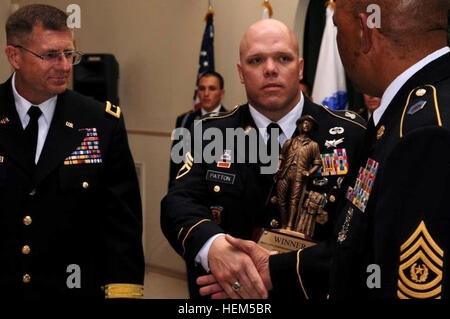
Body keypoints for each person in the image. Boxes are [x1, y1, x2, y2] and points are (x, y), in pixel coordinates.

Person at [201, 0, 450, 300]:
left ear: (364, 32)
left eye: (337, 28)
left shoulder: (423, 132)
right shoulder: (407, 114)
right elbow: (364, 251)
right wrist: (277, 269)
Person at [161, 18, 366, 299]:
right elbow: (177, 203)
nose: (270, 69)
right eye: (256, 60)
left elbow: (361, 232)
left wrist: (281, 270)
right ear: (241, 72)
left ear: (300, 67)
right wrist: (214, 246)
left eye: (283, 58)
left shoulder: (351, 135)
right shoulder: (208, 133)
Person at [0, 4, 144, 299]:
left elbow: (121, 227)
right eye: (50, 55)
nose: (65, 66)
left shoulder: (100, 123)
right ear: (14, 56)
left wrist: (123, 293)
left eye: (69, 54)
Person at [169, 71, 227, 186]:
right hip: (189, 188)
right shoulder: (184, 120)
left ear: (222, 93)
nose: (206, 93)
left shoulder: (233, 121)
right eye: (202, 88)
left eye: (212, 88)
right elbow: (176, 163)